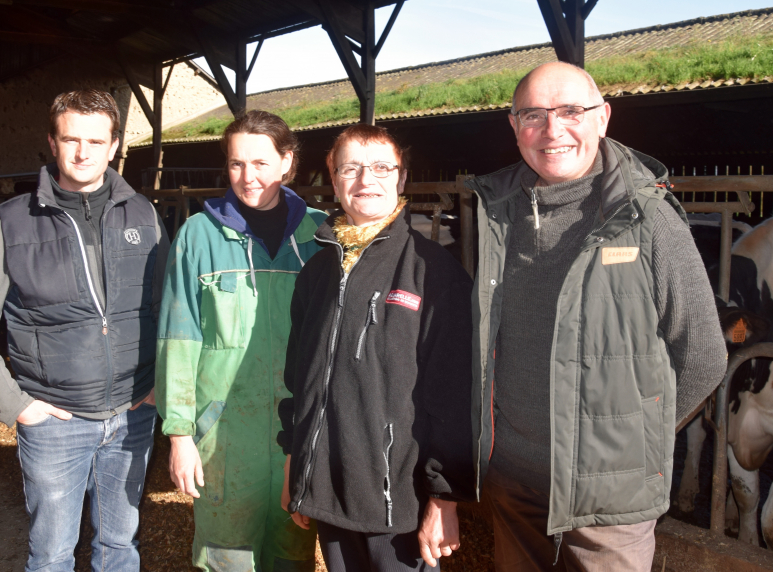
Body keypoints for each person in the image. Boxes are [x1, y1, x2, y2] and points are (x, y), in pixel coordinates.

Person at [465, 62, 728, 571]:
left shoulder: (648, 218)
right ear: (514, 127)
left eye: (570, 112)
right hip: (514, 485)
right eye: (534, 115)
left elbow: (703, 357)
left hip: (608, 504)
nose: (552, 130)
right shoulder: (496, 213)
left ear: (603, 118)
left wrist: (627, 444)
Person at [0, 89, 168, 572]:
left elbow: (168, 310)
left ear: (114, 146)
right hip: (55, 422)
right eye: (71, 139)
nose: (83, 152)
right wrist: (18, 406)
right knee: (51, 554)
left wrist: (159, 385)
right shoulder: (8, 224)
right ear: (53, 142)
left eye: (96, 140)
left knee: (120, 547)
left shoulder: (145, 215)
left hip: (134, 413)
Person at [278, 124, 474, 571]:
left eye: (383, 167)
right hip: (327, 486)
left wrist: (444, 498)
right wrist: (295, 461)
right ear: (334, 178)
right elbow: (299, 376)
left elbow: (454, 396)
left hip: (396, 502)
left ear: (402, 179)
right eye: (352, 167)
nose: (367, 180)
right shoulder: (316, 272)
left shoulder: (433, 272)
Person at [156, 110, 322, 571]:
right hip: (223, 432)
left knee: (292, 553)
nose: (248, 177)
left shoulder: (318, 236)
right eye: (236, 164)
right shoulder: (198, 236)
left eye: (261, 163)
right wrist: (179, 433)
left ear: (287, 161)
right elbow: (179, 337)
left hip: (298, 430)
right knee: (225, 555)